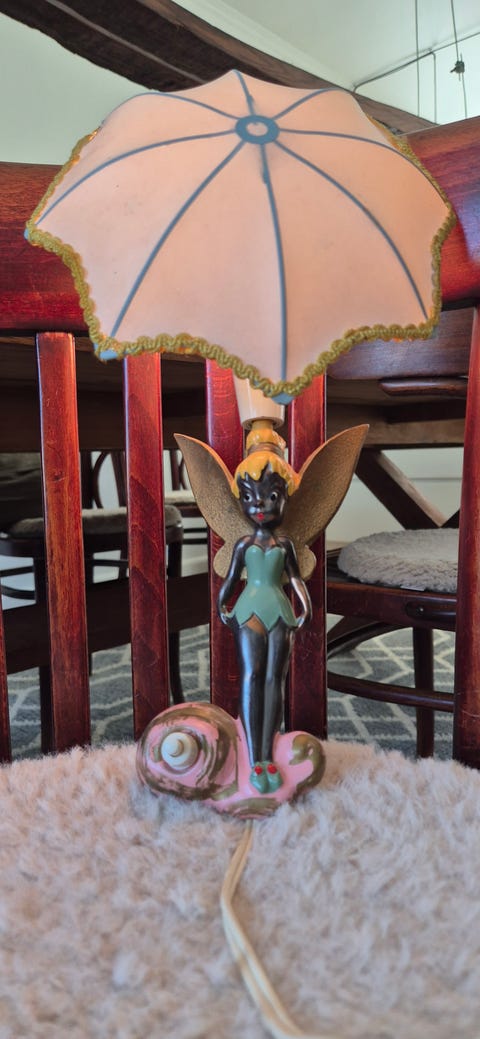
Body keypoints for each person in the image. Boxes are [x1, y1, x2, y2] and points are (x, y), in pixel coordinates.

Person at [217, 425, 311, 794]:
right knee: (251, 677)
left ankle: (268, 754)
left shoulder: (285, 545)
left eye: (271, 496)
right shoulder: (242, 545)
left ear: (286, 499)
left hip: (281, 613)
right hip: (249, 612)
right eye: (250, 498)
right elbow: (230, 580)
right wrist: (222, 606)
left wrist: (304, 607)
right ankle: (253, 754)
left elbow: (295, 578)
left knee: (276, 679)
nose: (260, 506)